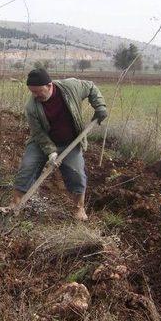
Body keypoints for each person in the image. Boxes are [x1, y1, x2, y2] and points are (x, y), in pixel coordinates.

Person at [10, 68, 107, 221]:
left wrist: (100, 106)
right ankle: (14, 205)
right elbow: (38, 133)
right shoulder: (31, 107)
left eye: (38, 91)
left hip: (70, 141)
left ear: (49, 85)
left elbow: (90, 87)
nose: (35, 95)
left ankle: (79, 210)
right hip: (41, 142)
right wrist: (52, 152)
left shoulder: (71, 87)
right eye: (32, 92)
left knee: (77, 174)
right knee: (27, 166)